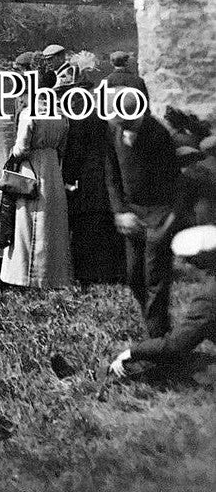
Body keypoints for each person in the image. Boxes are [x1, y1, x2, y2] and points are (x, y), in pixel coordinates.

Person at [104, 86, 184, 337]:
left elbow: (173, 185)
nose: (123, 128)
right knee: (133, 276)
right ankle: (156, 328)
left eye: (128, 123)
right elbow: (111, 175)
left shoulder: (158, 134)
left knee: (155, 280)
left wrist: (164, 224)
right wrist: (119, 212)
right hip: (131, 213)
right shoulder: (112, 129)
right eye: (120, 122)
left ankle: (158, 341)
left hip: (158, 214)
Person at [109, 225, 216, 382]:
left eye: (181, 260)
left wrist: (132, 352)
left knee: (190, 368)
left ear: (193, 262)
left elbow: (175, 346)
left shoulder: (207, 300)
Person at [0, 69, 72, 289]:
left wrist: (13, 155)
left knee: (28, 221)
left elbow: (21, 149)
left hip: (31, 168)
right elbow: (62, 147)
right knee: (52, 223)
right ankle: (54, 275)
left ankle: (26, 276)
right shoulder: (61, 114)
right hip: (52, 169)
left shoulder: (29, 114)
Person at [60, 81, 125, 284]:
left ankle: (89, 274)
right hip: (104, 172)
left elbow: (74, 154)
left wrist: (66, 178)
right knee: (104, 223)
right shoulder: (97, 114)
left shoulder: (77, 120)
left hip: (86, 178)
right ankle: (114, 270)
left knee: (85, 226)